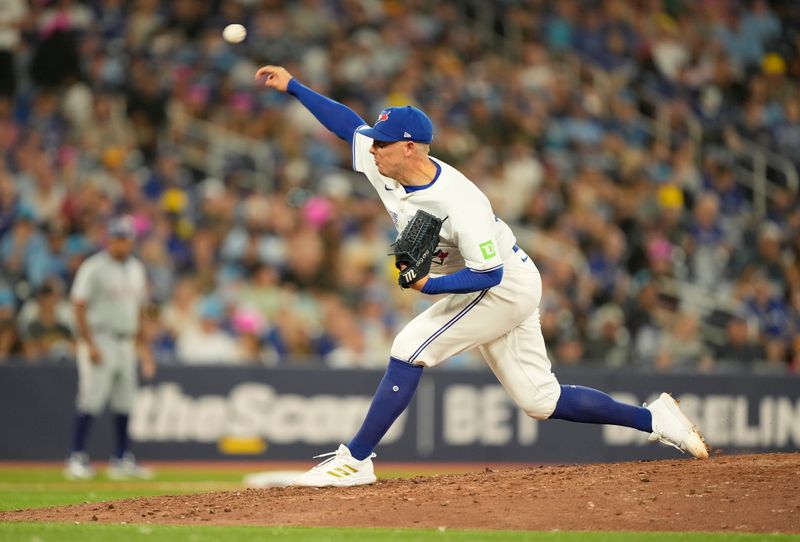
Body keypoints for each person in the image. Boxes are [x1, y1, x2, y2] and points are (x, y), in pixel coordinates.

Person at [254, 65, 709, 487]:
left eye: (382, 142)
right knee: (540, 401)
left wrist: (429, 286)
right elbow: (345, 124)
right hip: (500, 282)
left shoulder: (460, 201)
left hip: (502, 285)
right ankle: (655, 420)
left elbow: (487, 274)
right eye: (374, 141)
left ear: (409, 147)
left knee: (409, 347)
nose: (371, 147)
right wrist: (294, 86)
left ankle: (355, 460)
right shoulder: (382, 162)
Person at [64, 216, 156, 480]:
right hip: (100, 337)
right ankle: (76, 457)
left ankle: (121, 458)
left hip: (126, 340)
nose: (123, 244)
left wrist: (144, 350)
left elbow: (137, 312)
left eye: (127, 239)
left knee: (125, 400)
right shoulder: (94, 267)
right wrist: (88, 343)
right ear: (109, 239)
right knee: (91, 397)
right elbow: (78, 305)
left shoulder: (136, 268)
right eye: (118, 238)